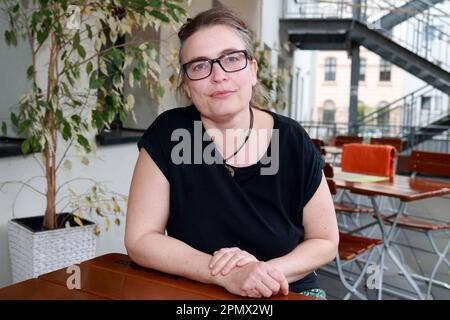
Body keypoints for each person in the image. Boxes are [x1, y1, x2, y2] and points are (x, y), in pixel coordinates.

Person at [125, 6, 339, 299]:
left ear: (252, 70)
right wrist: (228, 274)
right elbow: (140, 239)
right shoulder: (168, 134)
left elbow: (325, 240)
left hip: (285, 289)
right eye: (200, 65)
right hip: (193, 289)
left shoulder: (291, 141)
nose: (218, 75)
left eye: (231, 59)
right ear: (187, 84)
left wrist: (261, 275)